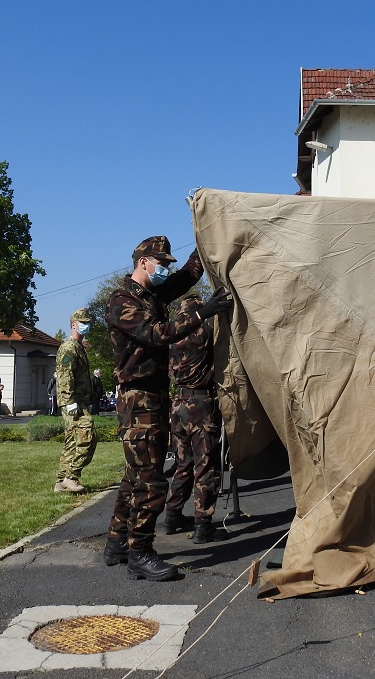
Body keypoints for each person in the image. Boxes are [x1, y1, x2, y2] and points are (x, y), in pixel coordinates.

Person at [103, 236, 232, 581]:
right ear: (143, 262)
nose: (165, 270)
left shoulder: (152, 296)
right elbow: (156, 334)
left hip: (155, 397)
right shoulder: (122, 300)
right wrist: (202, 312)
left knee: (135, 477)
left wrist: (205, 234)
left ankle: (117, 543)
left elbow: (190, 273)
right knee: (151, 481)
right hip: (138, 400)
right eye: (161, 264)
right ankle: (140, 553)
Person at [163, 294, 227, 544]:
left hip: (178, 404)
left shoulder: (171, 336)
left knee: (183, 464)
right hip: (200, 405)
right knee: (205, 466)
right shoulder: (204, 331)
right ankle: (203, 525)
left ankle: (172, 516)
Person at [53, 308, 97, 494]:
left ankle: (61, 482)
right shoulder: (69, 347)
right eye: (83, 323)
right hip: (73, 402)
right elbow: (64, 376)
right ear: (74, 324)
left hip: (79, 401)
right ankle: (71, 476)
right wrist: (70, 401)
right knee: (88, 437)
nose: (87, 326)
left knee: (72, 441)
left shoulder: (79, 347)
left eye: (88, 323)